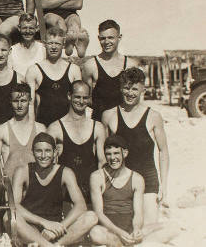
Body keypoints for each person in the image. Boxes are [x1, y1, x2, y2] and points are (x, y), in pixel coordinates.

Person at [102, 67, 170, 224]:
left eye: (134, 89)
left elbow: (164, 151)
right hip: (119, 181)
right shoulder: (109, 116)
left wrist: (164, 187)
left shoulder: (154, 117)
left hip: (148, 180)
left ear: (143, 90)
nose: (130, 93)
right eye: (126, 88)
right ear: (120, 88)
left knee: (148, 227)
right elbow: (102, 153)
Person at [89, 135, 179, 247]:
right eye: (108, 154)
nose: (112, 158)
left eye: (116, 153)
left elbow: (138, 213)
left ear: (125, 153)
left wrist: (136, 229)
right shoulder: (97, 177)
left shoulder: (137, 178)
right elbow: (99, 213)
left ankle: (132, 242)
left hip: (130, 227)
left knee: (173, 227)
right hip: (110, 229)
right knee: (95, 233)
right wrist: (119, 232)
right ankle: (124, 244)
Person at [12, 132, 97, 246]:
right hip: (31, 228)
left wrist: (60, 227)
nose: (43, 155)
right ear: (32, 152)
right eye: (38, 151)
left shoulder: (65, 172)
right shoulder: (22, 171)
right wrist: (44, 223)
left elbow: (81, 206)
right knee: (9, 217)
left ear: (55, 152)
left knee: (91, 217)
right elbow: (14, 206)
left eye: (47, 151)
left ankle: (53, 245)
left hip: (55, 230)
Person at [47, 80, 106, 203]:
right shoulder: (55, 128)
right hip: (65, 193)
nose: (81, 101)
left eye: (85, 98)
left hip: (90, 191)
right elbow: (49, 164)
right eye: (77, 97)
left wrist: (102, 189)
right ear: (69, 96)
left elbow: (102, 162)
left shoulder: (97, 127)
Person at [82, 19, 138, 121]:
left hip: (124, 121)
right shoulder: (90, 65)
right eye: (103, 38)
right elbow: (86, 98)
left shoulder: (130, 65)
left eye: (110, 37)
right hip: (100, 122)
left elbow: (136, 96)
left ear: (119, 37)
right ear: (98, 38)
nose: (106, 42)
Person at [26, 27, 82, 126]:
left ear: (63, 45)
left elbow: (79, 103)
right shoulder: (34, 70)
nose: (54, 47)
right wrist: (32, 127)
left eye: (57, 43)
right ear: (44, 44)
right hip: (43, 125)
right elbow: (30, 104)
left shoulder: (74, 70)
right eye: (50, 43)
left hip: (68, 127)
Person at [0, 83, 45, 178]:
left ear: (30, 101)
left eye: (23, 101)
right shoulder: (1, 130)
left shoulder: (40, 129)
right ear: (10, 101)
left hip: (34, 186)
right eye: (16, 101)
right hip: (10, 186)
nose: (19, 105)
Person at [8, 13, 46, 78]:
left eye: (31, 28)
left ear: (36, 28)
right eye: (24, 28)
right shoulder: (12, 50)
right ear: (19, 28)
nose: (27, 31)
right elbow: (8, 74)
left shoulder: (43, 49)